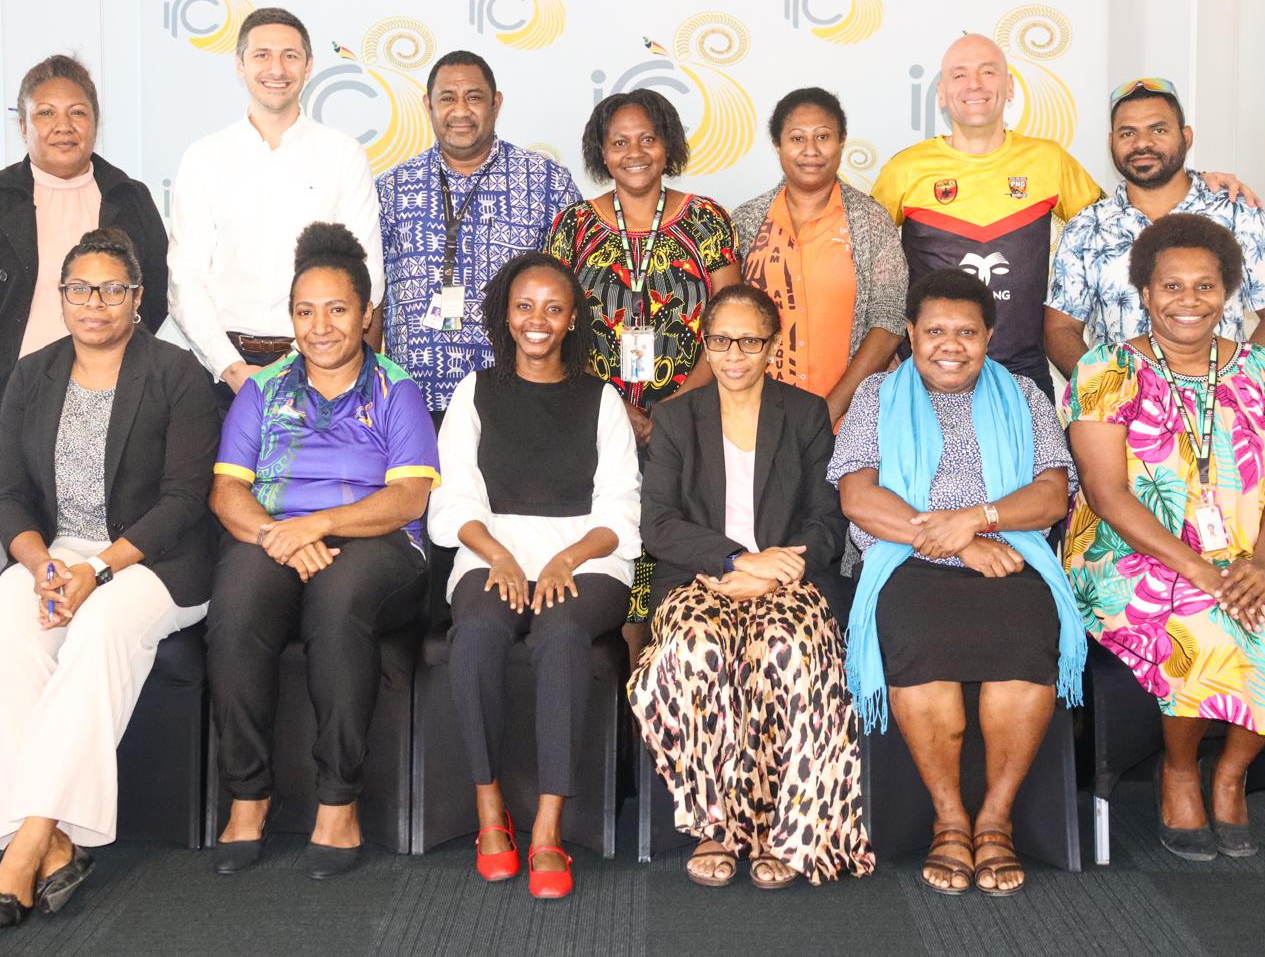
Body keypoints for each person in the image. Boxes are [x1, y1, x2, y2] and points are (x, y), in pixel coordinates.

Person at [1062, 213, 1265, 862]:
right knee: (1201, 633)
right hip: (1128, 552)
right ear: (1145, 292)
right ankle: (1180, 769)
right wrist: (1200, 571)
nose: (1188, 300)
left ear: (1226, 293)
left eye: (1205, 286)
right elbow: (1107, 495)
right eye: (1172, 286)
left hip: (1248, 549)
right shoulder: (1106, 369)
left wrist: (1264, 564)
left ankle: (1231, 772)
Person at [0, 229, 218, 930]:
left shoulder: (176, 374)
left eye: (113, 290)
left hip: (153, 560)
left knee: (101, 628)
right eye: (81, 289)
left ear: (138, 299)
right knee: (6, 623)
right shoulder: (32, 375)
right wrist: (39, 564)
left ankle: (27, 843)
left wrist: (100, 568)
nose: (95, 303)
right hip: (55, 555)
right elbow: (7, 493)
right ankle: (54, 843)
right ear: (61, 296)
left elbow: (184, 501)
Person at [829, 267, 1086, 896]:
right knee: (921, 646)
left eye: (967, 332)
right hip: (906, 562)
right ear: (910, 334)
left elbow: (1051, 495)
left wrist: (977, 519)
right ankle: (948, 818)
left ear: (989, 336)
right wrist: (958, 542)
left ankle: (995, 819)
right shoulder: (875, 395)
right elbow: (858, 497)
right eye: (935, 331)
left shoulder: (1023, 395)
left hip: (1010, 556)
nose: (951, 344)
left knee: (1025, 646)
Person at [206, 222, 438, 880]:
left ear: (366, 315)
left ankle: (339, 802)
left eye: (337, 310)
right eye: (305, 312)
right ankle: (248, 795)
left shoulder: (396, 390)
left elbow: (408, 500)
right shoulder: (263, 389)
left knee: (338, 603)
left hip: (380, 545)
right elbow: (227, 494)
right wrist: (280, 536)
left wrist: (318, 525)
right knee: (236, 602)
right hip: (276, 537)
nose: (320, 327)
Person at [629, 285, 875, 890]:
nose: (733, 356)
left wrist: (772, 571)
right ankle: (715, 826)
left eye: (749, 342)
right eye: (720, 341)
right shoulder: (676, 418)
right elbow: (658, 524)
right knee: (696, 653)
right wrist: (737, 562)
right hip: (701, 578)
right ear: (705, 344)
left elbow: (827, 520)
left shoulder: (806, 414)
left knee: (786, 650)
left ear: (772, 346)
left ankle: (776, 832)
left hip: (789, 579)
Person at [872, 34, 1258, 401]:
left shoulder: (1049, 160)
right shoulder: (905, 169)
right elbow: (864, 262)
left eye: (988, 71)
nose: (974, 84)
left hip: (1022, 376)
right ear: (941, 93)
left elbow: (1123, 217)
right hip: (928, 372)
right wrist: (883, 353)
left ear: (1010, 88)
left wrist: (1195, 181)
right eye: (959, 75)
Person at [427, 253, 640, 900]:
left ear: (573, 319)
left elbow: (621, 510)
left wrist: (566, 559)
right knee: (476, 635)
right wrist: (498, 555)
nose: (537, 320)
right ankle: (489, 808)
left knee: (562, 634)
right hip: (491, 550)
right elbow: (453, 501)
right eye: (524, 306)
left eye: (553, 308)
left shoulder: (602, 399)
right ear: (505, 315)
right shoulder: (474, 392)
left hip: (586, 556)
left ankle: (548, 826)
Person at [546, 88, 740, 623]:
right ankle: (615, 656)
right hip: (596, 420)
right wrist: (616, 408)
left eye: (647, 139)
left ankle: (670, 650)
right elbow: (557, 328)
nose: (634, 152)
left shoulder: (707, 220)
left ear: (668, 145)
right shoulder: (573, 227)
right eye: (619, 142)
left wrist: (675, 406)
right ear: (601, 153)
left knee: (675, 551)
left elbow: (730, 326)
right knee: (611, 547)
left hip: (693, 417)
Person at [0, 55, 167, 473]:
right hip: (20, 398)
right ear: (23, 127)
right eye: (45, 113)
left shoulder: (129, 198)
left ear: (95, 122)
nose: (63, 126)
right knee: (20, 508)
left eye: (77, 112)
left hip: (118, 393)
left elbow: (157, 291)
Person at [168, 7, 384, 400]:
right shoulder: (204, 157)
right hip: (218, 370)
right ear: (240, 65)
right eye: (262, 55)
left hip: (318, 365)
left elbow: (365, 272)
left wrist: (300, 361)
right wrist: (230, 367)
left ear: (309, 65)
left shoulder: (343, 155)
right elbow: (185, 277)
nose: (277, 69)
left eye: (290, 56)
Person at [1045, 77, 1265, 378]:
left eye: (1158, 130)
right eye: (1128, 133)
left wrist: (1235, 386)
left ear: (1186, 137)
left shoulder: (1236, 211)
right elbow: (1060, 329)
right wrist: (1106, 392)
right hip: (1120, 406)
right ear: (1111, 141)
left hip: (1219, 403)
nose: (1142, 143)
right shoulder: (1087, 227)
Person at [376, 50, 582, 418]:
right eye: (447, 98)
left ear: (495, 104)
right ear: (428, 105)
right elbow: (370, 295)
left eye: (473, 97)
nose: (460, 111)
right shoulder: (391, 188)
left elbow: (575, 291)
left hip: (518, 401)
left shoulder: (547, 182)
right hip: (412, 402)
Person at [730, 87, 906, 426]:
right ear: (777, 145)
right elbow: (728, 321)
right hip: (760, 420)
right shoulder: (747, 221)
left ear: (842, 141)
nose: (810, 150)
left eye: (823, 137)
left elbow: (889, 320)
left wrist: (830, 410)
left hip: (849, 422)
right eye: (797, 138)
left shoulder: (872, 222)